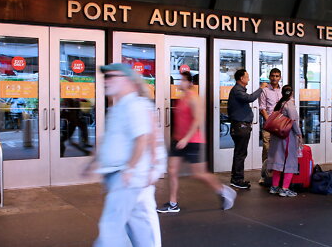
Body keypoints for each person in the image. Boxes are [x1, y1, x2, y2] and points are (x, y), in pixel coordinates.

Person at [83, 63, 165, 247]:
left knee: (111, 228)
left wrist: (135, 168)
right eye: (105, 77)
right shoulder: (118, 106)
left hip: (127, 177)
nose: (106, 81)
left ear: (127, 80)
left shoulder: (134, 105)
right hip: (122, 176)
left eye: (111, 76)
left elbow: (144, 138)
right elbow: (114, 139)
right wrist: (95, 160)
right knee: (138, 226)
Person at [157, 71, 236, 213]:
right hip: (178, 140)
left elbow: (198, 120)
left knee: (198, 174)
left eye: (182, 80)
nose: (179, 83)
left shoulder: (194, 98)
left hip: (193, 140)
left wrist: (186, 138)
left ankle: (223, 191)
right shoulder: (182, 98)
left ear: (190, 83)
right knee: (172, 170)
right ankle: (173, 203)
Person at [228, 69, 267, 189]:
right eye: (247, 77)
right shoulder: (237, 90)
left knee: (239, 153)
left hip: (241, 126)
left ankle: (236, 178)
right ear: (241, 78)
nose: (248, 79)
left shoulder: (238, 90)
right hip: (241, 126)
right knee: (240, 153)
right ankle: (237, 180)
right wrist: (261, 88)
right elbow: (249, 98)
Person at [266, 85, 302, 197]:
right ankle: (285, 188)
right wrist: (299, 134)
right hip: (287, 137)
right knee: (289, 160)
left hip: (277, 136)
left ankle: (274, 186)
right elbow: (294, 121)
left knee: (278, 160)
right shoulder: (289, 104)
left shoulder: (279, 104)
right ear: (291, 93)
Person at [258, 68, 282, 184]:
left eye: (277, 76)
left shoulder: (284, 91)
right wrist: (270, 122)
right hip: (268, 124)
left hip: (281, 125)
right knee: (267, 150)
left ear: (280, 78)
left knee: (280, 150)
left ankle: (277, 175)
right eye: (273, 76)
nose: (274, 78)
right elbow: (262, 108)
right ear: (269, 77)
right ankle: (264, 176)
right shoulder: (265, 91)